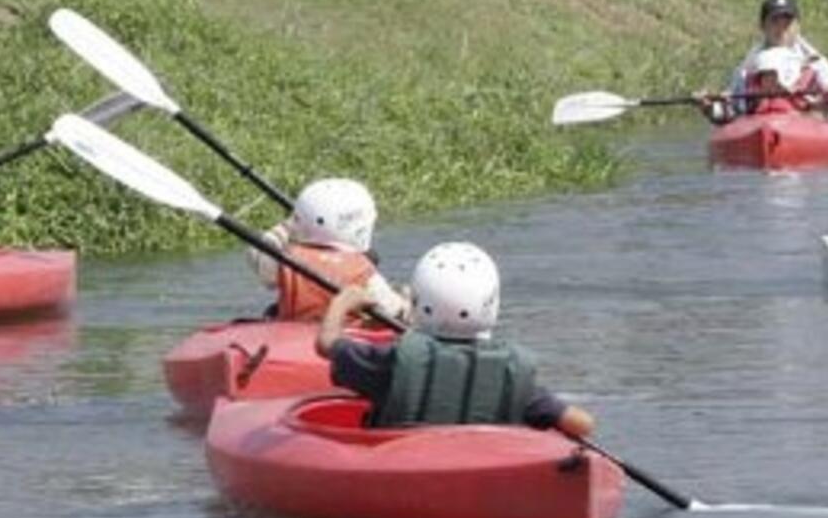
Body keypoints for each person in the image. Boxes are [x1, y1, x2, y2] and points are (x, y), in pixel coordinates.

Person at [316, 241, 596, 436]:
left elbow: (327, 344)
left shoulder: (393, 360)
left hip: (403, 464)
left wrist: (342, 302)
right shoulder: (512, 375)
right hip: (483, 474)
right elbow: (582, 425)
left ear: (419, 301)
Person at [248, 177, 408, 322]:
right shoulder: (362, 273)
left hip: (292, 333)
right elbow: (392, 310)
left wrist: (289, 227)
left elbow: (258, 255)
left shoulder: (287, 260)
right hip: (342, 340)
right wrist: (405, 303)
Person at [733, 0, 828, 108]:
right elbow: (730, 101)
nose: (782, 29)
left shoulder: (816, 62)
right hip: (760, 118)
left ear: (798, 26)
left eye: (788, 23)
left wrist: (826, 100)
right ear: (762, 26)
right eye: (775, 21)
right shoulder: (747, 66)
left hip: (802, 118)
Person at [697, 45, 828, 123]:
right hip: (758, 126)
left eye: (773, 76)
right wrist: (709, 108)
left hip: (795, 124)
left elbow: (822, 106)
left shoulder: (799, 95)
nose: (768, 81)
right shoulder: (750, 99)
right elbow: (727, 115)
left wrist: (827, 98)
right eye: (764, 75)